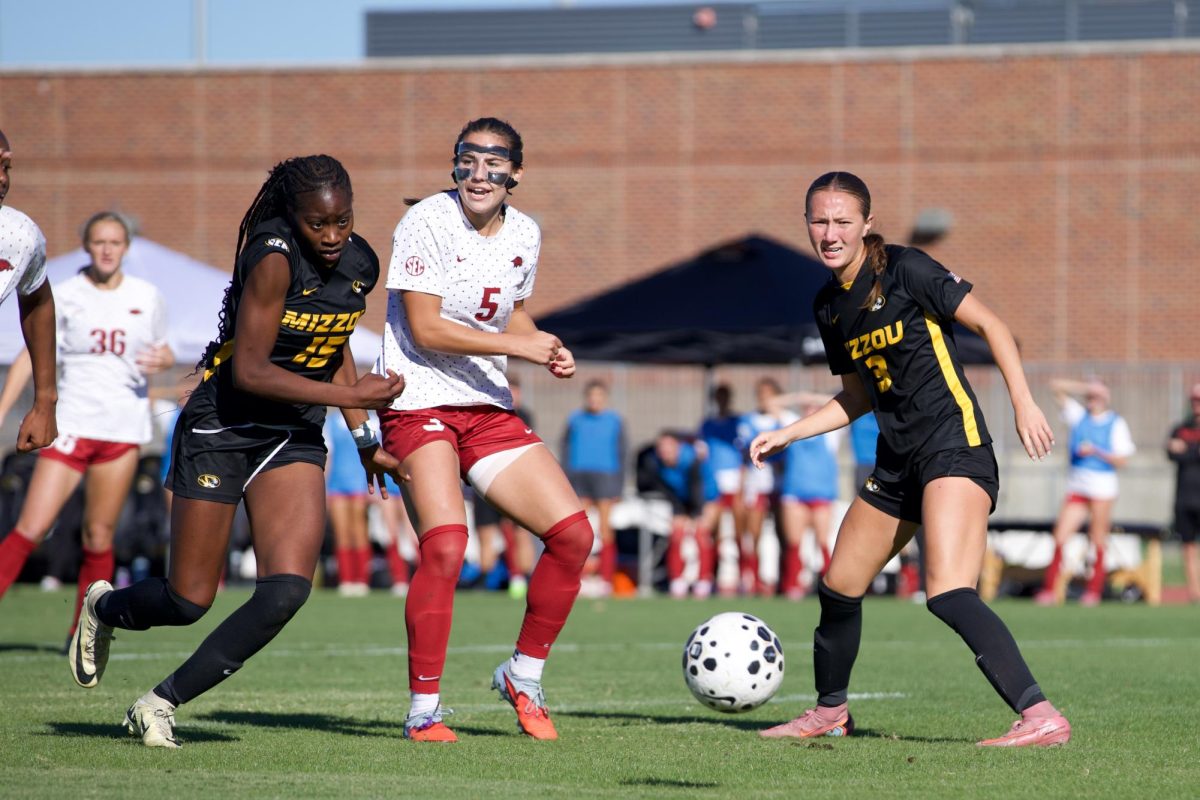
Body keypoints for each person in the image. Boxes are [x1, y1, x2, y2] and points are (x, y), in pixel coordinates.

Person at [68, 155, 405, 748]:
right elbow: (248, 372)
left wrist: (361, 433)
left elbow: (335, 340)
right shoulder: (272, 257)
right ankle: (105, 608)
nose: (332, 238)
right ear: (292, 215)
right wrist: (350, 395)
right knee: (188, 598)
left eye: (343, 222)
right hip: (224, 423)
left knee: (287, 590)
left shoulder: (359, 262)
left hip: (293, 430)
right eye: (318, 224)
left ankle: (159, 704)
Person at [750, 171, 1069, 747]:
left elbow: (992, 325)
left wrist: (1023, 402)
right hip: (896, 462)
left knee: (947, 590)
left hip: (954, 445)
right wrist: (789, 433)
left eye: (842, 221)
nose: (830, 233)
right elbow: (856, 397)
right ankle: (830, 712)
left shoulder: (906, 268)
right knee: (839, 585)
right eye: (819, 221)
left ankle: (1041, 716)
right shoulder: (828, 305)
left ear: (866, 224)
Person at [374, 117, 592, 743]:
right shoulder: (425, 222)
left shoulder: (526, 232)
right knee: (446, 547)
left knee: (574, 537)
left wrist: (545, 347)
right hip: (418, 402)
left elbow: (514, 316)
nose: (479, 172)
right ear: (454, 166)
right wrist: (517, 350)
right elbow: (427, 330)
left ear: (515, 174)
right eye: (467, 159)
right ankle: (424, 712)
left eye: (494, 162)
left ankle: (523, 674)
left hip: (485, 406)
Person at [0, 211, 173, 640]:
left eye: (115, 242)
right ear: (87, 246)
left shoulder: (147, 295)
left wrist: (165, 360)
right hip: (71, 425)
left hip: (121, 431)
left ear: (126, 247)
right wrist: (5, 408)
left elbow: (163, 349)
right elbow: (30, 353)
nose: (108, 250)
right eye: (99, 242)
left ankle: (86, 634)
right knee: (31, 527)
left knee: (99, 535)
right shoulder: (68, 293)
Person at [0, 128, 64, 600]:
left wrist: (45, 399)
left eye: (7, 166)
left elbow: (37, 300)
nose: (3, 178)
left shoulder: (18, 234)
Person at [1035, 379, 1135, 607]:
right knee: (1060, 536)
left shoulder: (1115, 423)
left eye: (1097, 396)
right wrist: (1085, 388)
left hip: (1102, 488)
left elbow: (1122, 460)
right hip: (1077, 486)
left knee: (1097, 538)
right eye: (1091, 397)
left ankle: (1093, 591)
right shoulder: (1078, 415)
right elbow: (1055, 387)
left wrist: (1097, 452)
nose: (1093, 400)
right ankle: (1050, 589)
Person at [473, 375, 535, 599]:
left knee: (519, 532)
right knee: (486, 531)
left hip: (514, 484)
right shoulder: (485, 412)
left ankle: (523, 576)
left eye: (515, 391)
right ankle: (485, 576)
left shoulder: (524, 416)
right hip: (483, 481)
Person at [562, 379, 625, 595]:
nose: (594, 400)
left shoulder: (615, 421)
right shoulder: (575, 419)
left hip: (606, 476)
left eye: (599, 396)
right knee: (579, 530)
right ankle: (580, 578)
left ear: (604, 398)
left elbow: (622, 452)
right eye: (591, 396)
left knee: (605, 529)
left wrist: (619, 486)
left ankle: (606, 579)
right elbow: (566, 449)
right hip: (580, 475)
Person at [776, 393, 841, 599]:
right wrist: (800, 397)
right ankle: (793, 585)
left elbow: (841, 400)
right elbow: (772, 404)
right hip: (795, 493)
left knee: (823, 541)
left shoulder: (831, 432)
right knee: (794, 542)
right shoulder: (793, 426)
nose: (809, 410)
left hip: (822, 494)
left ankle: (831, 586)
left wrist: (815, 398)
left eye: (813, 408)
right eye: (807, 407)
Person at [637, 431, 716, 599]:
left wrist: (695, 515)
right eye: (661, 447)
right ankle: (677, 581)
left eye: (668, 446)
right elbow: (666, 490)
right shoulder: (656, 463)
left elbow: (697, 489)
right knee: (677, 533)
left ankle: (704, 581)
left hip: (707, 498)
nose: (664, 451)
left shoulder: (692, 460)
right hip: (681, 501)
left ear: (678, 447)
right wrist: (679, 512)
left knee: (701, 534)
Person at [737, 377, 796, 595]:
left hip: (781, 484)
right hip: (757, 483)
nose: (765, 400)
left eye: (769, 395)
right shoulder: (747, 421)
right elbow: (743, 454)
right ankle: (753, 579)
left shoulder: (785, 421)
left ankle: (785, 580)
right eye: (761, 395)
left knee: (785, 533)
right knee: (754, 533)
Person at [698, 383, 745, 594]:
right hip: (714, 484)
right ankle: (709, 577)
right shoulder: (707, 424)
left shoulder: (738, 423)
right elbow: (702, 452)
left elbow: (745, 452)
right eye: (718, 396)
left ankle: (745, 577)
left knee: (739, 531)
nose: (721, 400)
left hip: (735, 483)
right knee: (711, 531)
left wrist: (744, 480)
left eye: (724, 396)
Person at [324, 410, 373, 596]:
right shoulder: (331, 423)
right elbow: (329, 457)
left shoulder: (367, 422)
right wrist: (325, 487)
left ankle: (361, 580)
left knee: (359, 532)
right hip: (337, 485)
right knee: (341, 533)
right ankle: (346, 580)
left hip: (360, 484)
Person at [1167, 383, 1200, 603]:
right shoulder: (1181, 428)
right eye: (1194, 400)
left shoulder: (1182, 436)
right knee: (1188, 546)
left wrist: (1186, 449)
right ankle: (1195, 593)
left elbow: (1183, 452)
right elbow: (1171, 453)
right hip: (1184, 498)